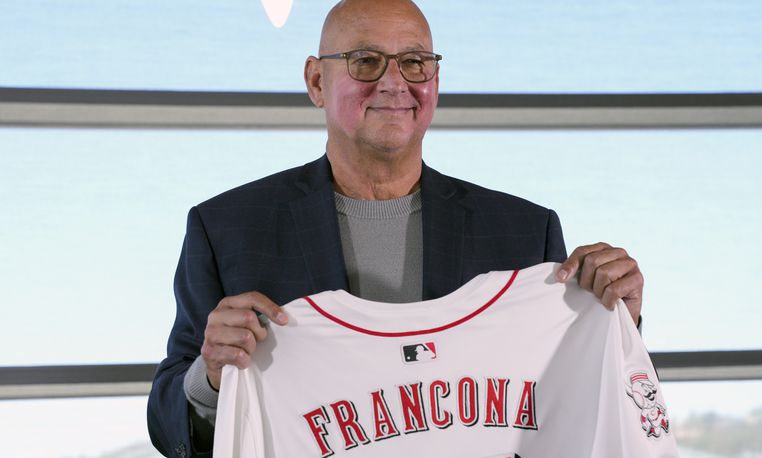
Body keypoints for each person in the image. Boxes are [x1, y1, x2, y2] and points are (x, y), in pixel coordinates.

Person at [147, 0, 645, 456]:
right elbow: (168, 427)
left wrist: (617, 323)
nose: (394, 83)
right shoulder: (226, 227)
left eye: (415, 62)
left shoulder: (525, 231)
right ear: (317, 82)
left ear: (435, 80)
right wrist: (211, 377)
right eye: (365, 61)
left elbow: (583, 404)